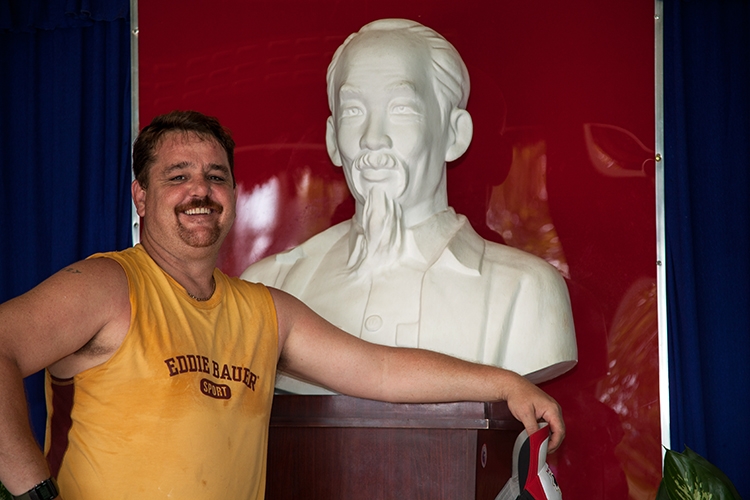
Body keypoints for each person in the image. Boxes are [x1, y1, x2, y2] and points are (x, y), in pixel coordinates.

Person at [0, 110, 564, 499]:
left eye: (215, 177)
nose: (201, 191)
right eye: (178, 177)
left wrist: (505, 383)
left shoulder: (265, 311)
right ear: (140, 196)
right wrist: (34, 493)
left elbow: (382, 369)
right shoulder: (107, 284)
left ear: (233, 194)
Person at [242, 18, 577, 394]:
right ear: (332, 140)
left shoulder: (526, 292)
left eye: (401, 109)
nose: (372, 139)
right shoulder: (266, 289)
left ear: (454, 135)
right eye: (353, 112)